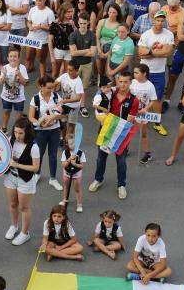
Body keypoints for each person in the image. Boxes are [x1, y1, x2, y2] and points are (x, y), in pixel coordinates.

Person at [89, 71, 140, 200]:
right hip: (105, 130)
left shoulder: (134, 100)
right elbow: (98, 98)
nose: (122, 84)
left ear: (130, 82)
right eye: (120, 81)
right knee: (101, 158)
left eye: (126, 82)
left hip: (121, 133)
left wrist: (111, 123)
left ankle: (121, 185)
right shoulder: (110, 91)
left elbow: (129, 120)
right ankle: (98, 179)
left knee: (121, 161)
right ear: (117, 81)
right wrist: (98, 114)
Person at [137, 10, 174, 136]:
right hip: (145, 70)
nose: (160, 23)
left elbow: (168, 52)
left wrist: (150, 53)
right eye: (158, 20)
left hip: (159, 71)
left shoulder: (168, 34)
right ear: (153, 21)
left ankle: (157, 123)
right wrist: (158, 53)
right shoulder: (146, 34)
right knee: (141, 96)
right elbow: (141, 53)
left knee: (157, 98)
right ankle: (139, 117)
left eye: (162, 20)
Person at [4, 116, 40, 246]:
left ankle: (25, 234)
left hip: (25, 179)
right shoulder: (10, 140)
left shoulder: (34, 147)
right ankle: (14, 226)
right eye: (15, 132)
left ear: (27, 132)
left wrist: (16, 165)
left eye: (20, 133)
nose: (17, 135)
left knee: (24, 207)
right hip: (10, 177)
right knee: (13, 204)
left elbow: (35, 168)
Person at [130, 64, 158, 164]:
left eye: (137, 73)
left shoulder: (150, 86)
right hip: (130, 112)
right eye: (134, 72)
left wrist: (145, 109)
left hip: (141, 113)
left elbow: (153, 100)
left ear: (144, 74)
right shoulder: (132, 82)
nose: (134, 74)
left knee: (143, 133)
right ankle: (125, 149)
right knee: (127, 129)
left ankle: (147, 153)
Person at [25, 0, 55, 79]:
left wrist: (42, 26)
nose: (38, 2)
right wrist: (30, 26)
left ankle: (43, 78)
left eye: (40, 1)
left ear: (45, 0)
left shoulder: (49, 12)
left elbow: (52, 28)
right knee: (28, 57)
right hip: (31, 37)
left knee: (41, 60)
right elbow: (28, 21)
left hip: (42, 40)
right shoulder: (32, 9)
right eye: (36, 0)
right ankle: (25, 76)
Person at [0, 47, 28, 133]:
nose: (13, 58)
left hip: (19, 97)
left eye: (15, 56)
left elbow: (24, 83)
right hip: (6, 96)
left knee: (18, 115)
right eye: (11, 56)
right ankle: (4, 128)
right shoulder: (5, 68)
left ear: (18, 58)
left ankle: (17, 131)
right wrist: (4, 74)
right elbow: (1, 82)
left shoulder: (22, 68)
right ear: (8, 58)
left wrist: (20, 75)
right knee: (6, 111)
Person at [60, 127, 86, 213]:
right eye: (71, 144)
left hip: (76, 175)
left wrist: (75, 164)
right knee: (66, 187)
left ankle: (79, 204)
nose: (73, 145)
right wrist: (69, 160)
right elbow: (63, 165)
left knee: (77, 189)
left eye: (75, 143)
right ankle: (65, 200)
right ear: (67, 144)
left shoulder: (81, 153)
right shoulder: (65, 153)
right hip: (67, 174)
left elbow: (82, 166)